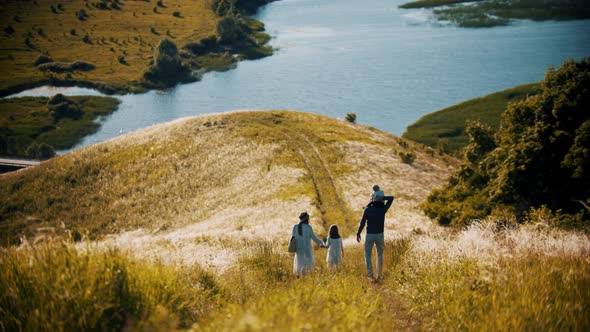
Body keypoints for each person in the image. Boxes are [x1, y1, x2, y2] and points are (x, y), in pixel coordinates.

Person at [356, 194, 394, 281]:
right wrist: (382, 197)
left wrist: (358, 233)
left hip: (369, 234)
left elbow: (362, 223)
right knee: (380, 254)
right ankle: (379, 275)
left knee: (367, 255)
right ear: (380, 201)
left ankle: (371, 275)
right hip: (380, 234)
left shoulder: (367, 210)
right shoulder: (383, 209)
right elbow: (391, 198)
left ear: (372, 201)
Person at [292, 212, 324, 276]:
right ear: (307, 219)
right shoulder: (308, 227)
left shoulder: (295, 227)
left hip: (299, 250)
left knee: (299, 264)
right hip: (307, 250)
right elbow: (314, 238)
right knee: (308, 266)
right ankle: (306, 279)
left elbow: (293, 238)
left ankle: (299, 279)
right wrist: (322, 242)